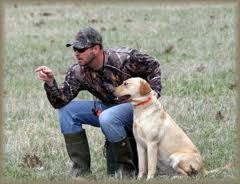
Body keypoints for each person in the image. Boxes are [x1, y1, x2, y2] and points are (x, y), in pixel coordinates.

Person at [35, 27, 162, 178]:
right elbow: (60, 101)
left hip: (136, 109)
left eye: (81, 49)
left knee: (107, 117)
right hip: (109, 109)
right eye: (74, 49)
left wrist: (153, 94)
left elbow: (154, 65)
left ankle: (126, 170)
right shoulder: (78, 71)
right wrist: (50, 82)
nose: (76, 53)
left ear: (96, 49)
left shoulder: (124, 58)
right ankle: (81, 172)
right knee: (67, 111)